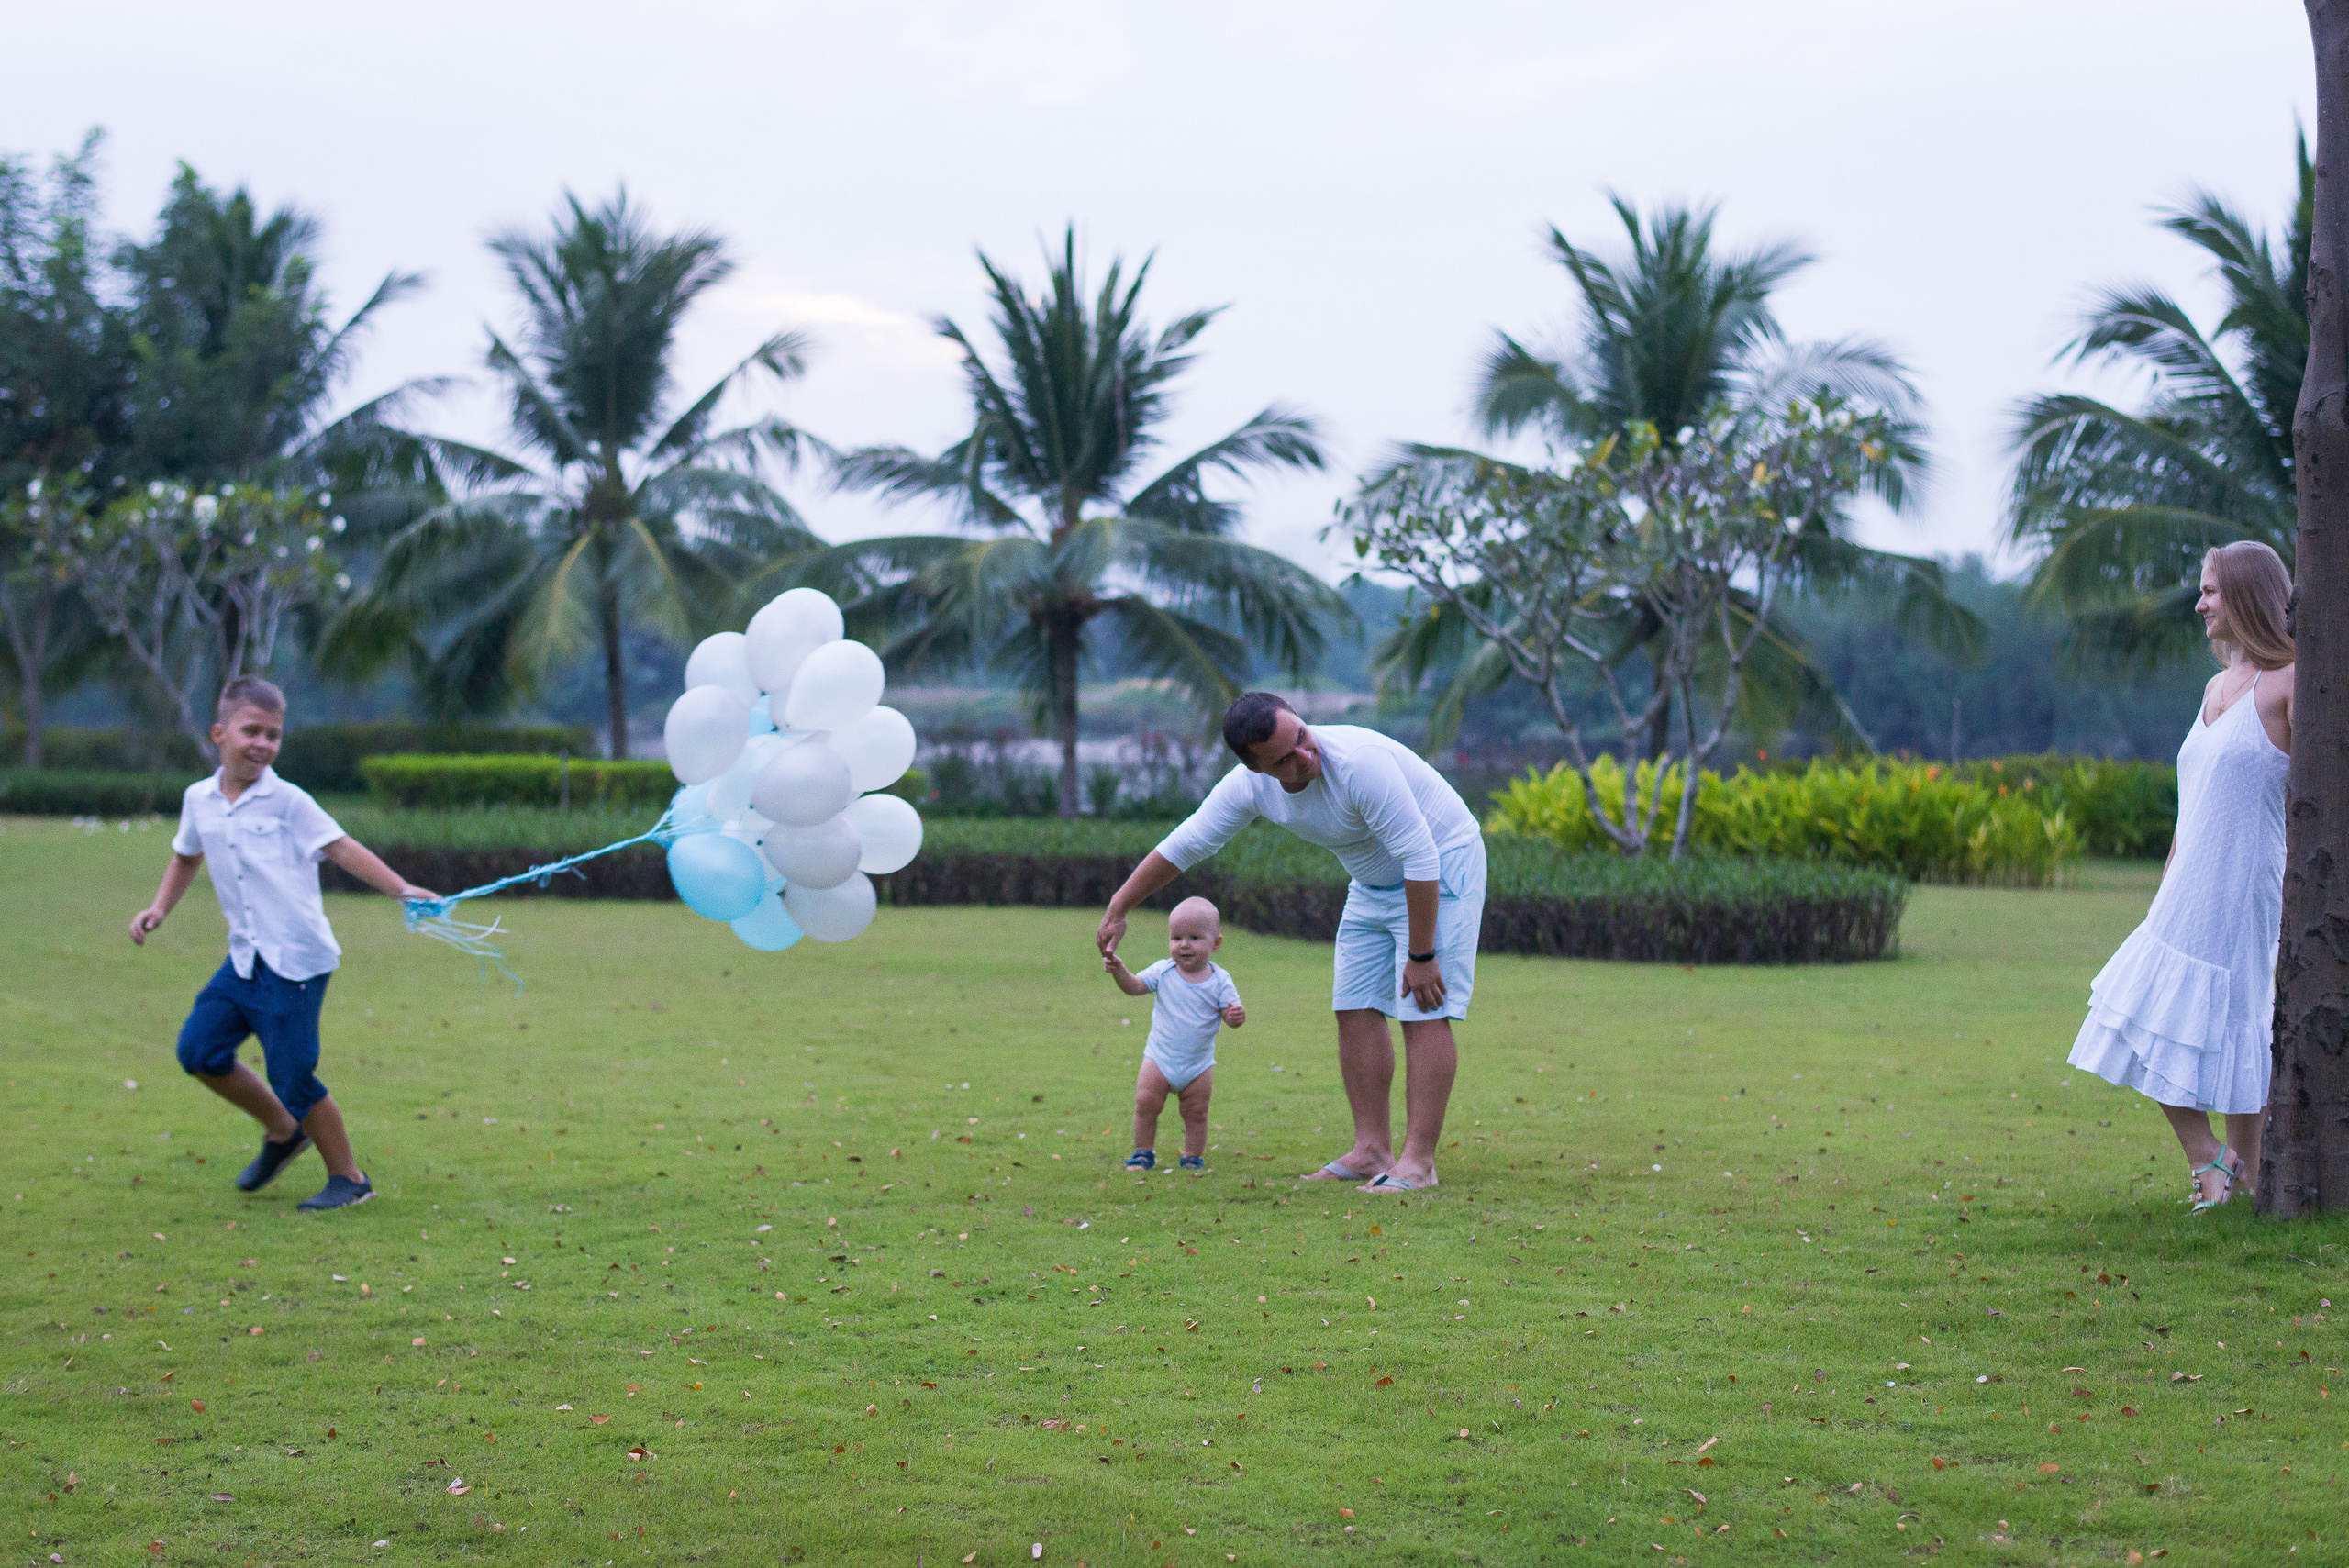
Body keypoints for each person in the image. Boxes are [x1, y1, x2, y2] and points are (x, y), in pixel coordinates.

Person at [1097, 693, 1485, 1193]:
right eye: (1283, 758)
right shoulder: (1251, 788)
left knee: (1423, 1005)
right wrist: (1120, 904)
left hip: (1442, 866)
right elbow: (1189, 842)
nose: (1304, 756)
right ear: (1257, 769)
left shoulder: (1359, 765)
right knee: (1354, 1005)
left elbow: (1421, 857)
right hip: (1370, 880)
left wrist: (1422, 955)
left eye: (1301, 737)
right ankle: (1371, 1151)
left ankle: (1419, 1162)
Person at [128, 676, 438, 1211]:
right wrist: (159, 908)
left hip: (296, 960)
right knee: (199, 1050)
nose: (263, 744)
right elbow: (185, 856)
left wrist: (401, 890)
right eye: (252, 731)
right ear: (220, 733)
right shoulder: (198, 799)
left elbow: (341, 848)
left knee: (292, 1074)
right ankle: (282, 1128)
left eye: (274, 735)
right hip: (245, 958)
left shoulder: (289, 801)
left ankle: (350, 1179)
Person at [2067, 541, 2296, 1212]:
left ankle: (2243, 1174)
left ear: (2248, 595)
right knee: (2138, 1012)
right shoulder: (2214, 687)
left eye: (2211, 591)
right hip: (2186, 885)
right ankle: (2209, 1157)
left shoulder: (2290, 682)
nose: (2199, 603)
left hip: (2248, 884)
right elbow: (2191, 801)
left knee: (2243, 1023)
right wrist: (2166, 879)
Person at [1102, 895, 1246, 1172]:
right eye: (1176, 937)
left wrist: (1235, 1016)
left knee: (1196, 1112)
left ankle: (1192, 1157)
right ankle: (1143, 1153)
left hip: (1198, 1064)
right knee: (1145, 1102)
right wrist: (1119, 971)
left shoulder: (1220, 980)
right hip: (1159, 1057)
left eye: (1194, 937)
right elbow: (1134, 986)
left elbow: (1230, 1014)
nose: (1184, 945)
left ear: (1216, 943)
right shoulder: (1164, 971)